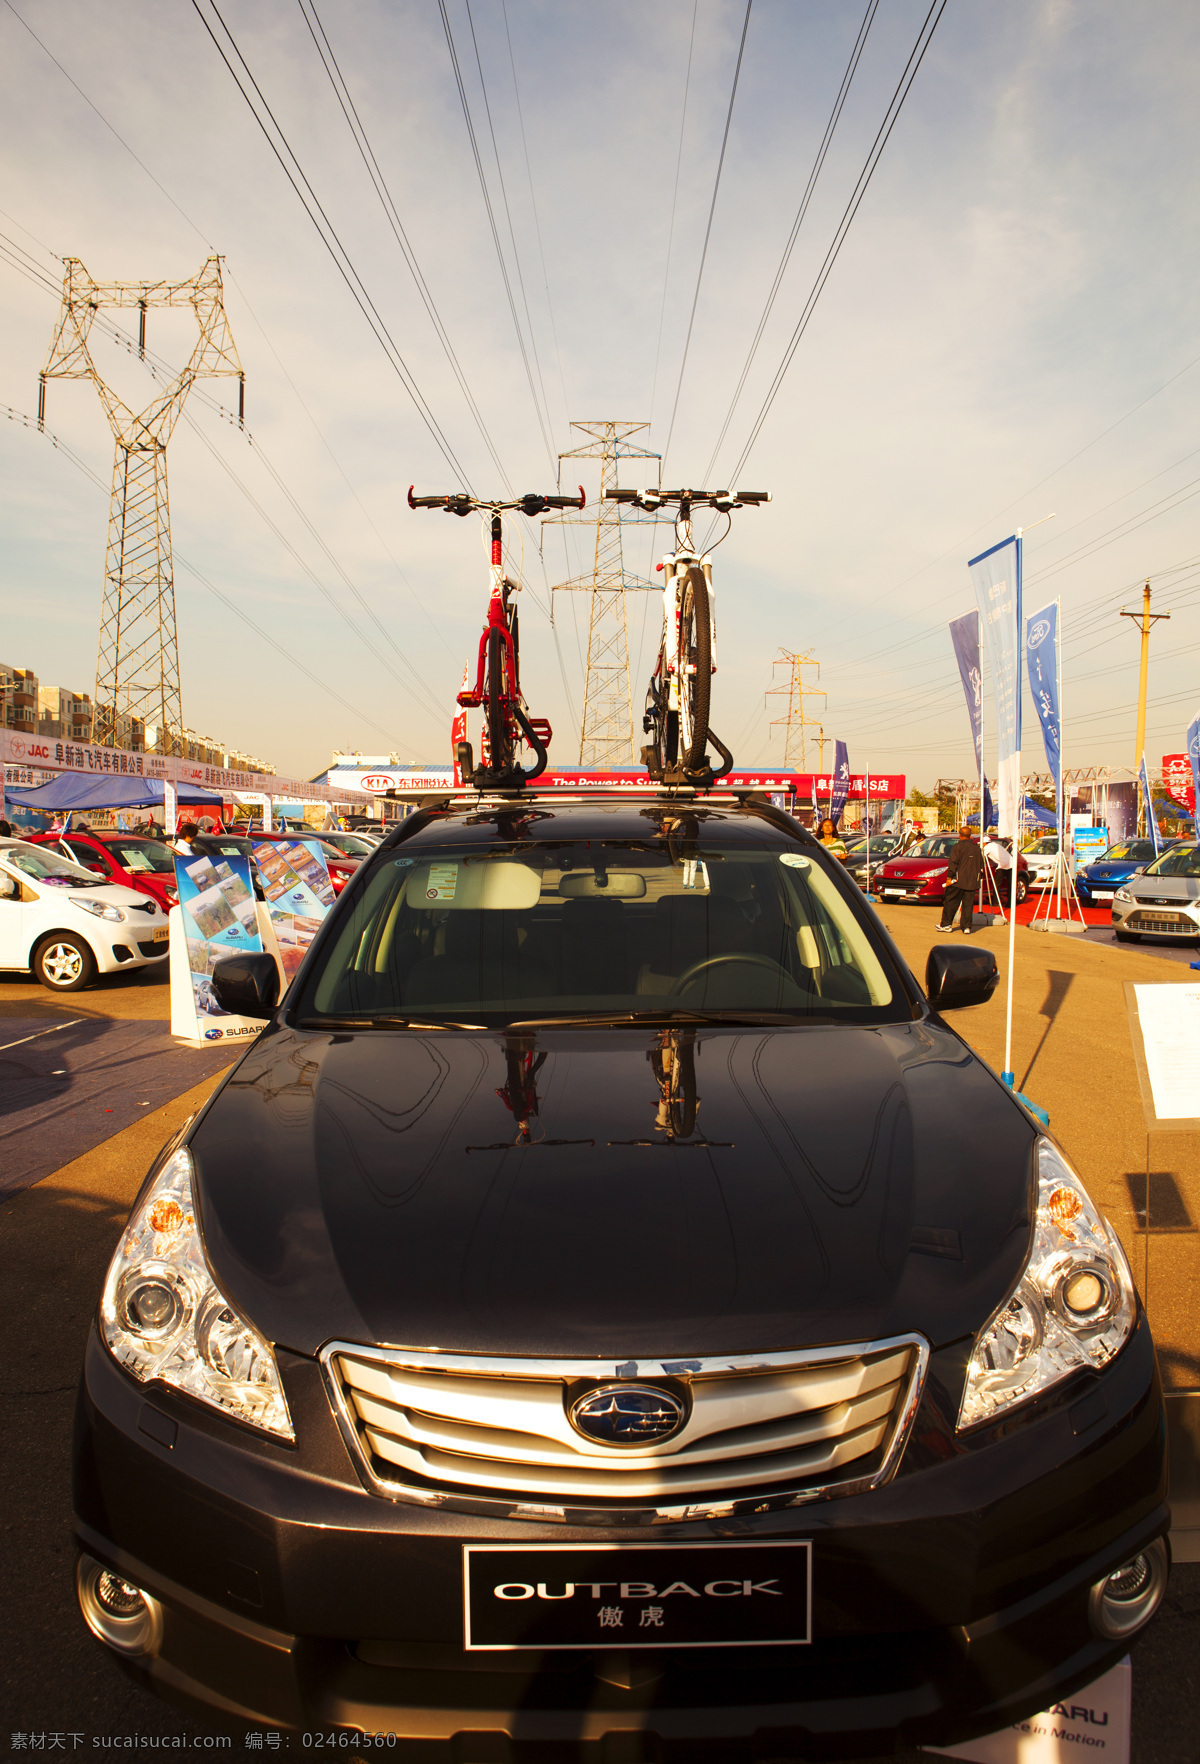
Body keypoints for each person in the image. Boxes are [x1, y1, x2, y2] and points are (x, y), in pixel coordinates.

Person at [939, 828, 983, 933]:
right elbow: (981, 864)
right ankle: (966, 927)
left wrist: (949, 877)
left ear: (960, 835)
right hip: (972, 881)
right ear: (970, 835)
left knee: (951, 903)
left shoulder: (957, 847)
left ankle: (946, 925)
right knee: (968, 905)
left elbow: (953, 863)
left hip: (957, 880)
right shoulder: (976, 849)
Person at [984, 826, 1015, 905]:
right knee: (1011, 884)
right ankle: (1010, 902)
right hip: (1011, 863)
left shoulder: (987, 847)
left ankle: (996, 902)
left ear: (984, 843)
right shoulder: (996, 845)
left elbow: (982, 857)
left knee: (996, 884)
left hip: (1003, 865)